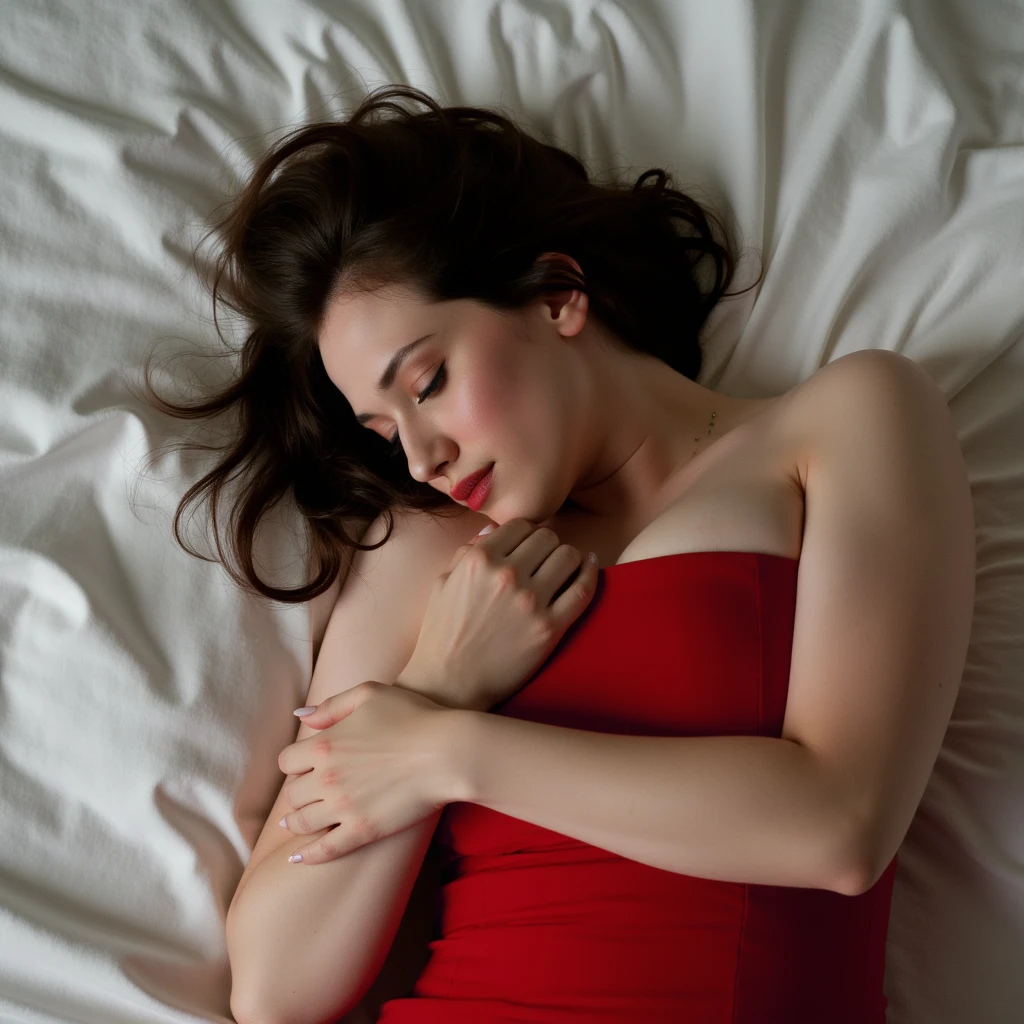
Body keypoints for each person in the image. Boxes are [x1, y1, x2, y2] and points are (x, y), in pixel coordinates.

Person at [135, 84, 975, 1023]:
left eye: (430, 380)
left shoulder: (847, 419)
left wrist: (449, 749)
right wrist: (441, 684)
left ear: (557, 295)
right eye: (381, 430)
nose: (422, 455)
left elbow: (840, 827)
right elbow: (277, 989)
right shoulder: (426, 554)